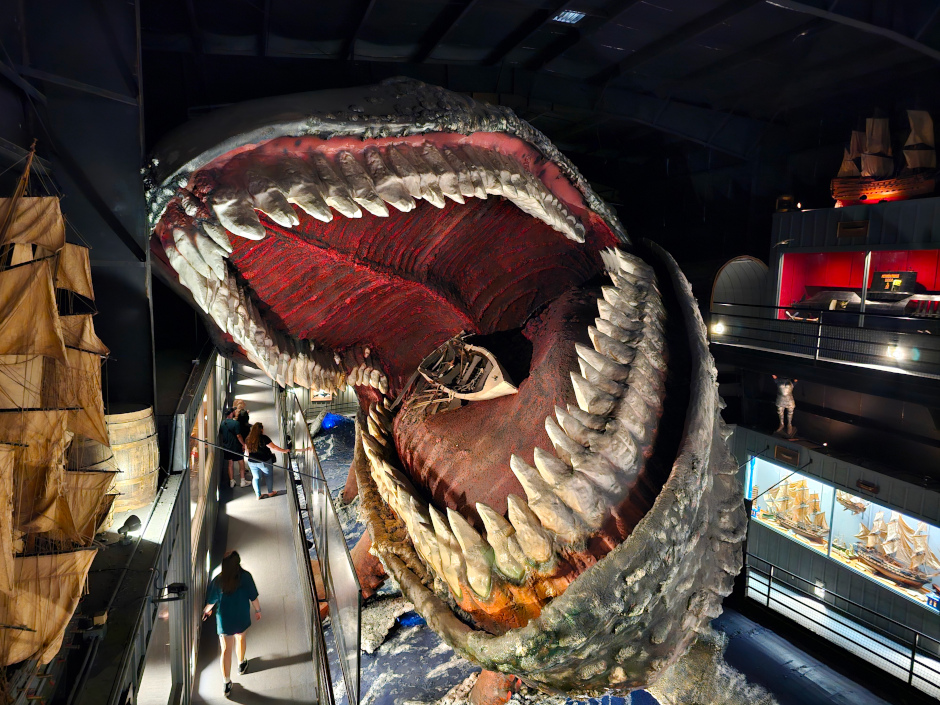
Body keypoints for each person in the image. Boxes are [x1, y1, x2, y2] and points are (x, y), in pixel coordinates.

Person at [202, 551, 260, 698]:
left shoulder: (218, 581)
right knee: (241, 639)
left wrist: (206, 611)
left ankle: (227, 683)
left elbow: (211, 602)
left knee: (226, 650)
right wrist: (258, 610)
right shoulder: (245, 577)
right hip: (241, 616)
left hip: (225, 620)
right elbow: (253, 597)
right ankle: (241, 664)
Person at [244, 422, 295, 499]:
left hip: (252, 462)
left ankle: (258, 495)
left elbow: (247, 451)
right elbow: (274, 447)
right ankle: (270, 492)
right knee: (268, 476)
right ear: (261, 430)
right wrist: (284, 451)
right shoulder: (264, 438)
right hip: (264, 461)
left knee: (256, 477)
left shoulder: (248, 439)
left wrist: (250, 458)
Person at [219, 408, 248, 488]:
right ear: (231, 413)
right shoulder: (236, 423)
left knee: (230, 464)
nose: (235, 412)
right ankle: (242, 481)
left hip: (227, 446)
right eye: (234, 411)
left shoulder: (222, 423)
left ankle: (232, 481)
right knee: (241, 462)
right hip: (236, 446)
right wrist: (243, 444)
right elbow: (238, 435)